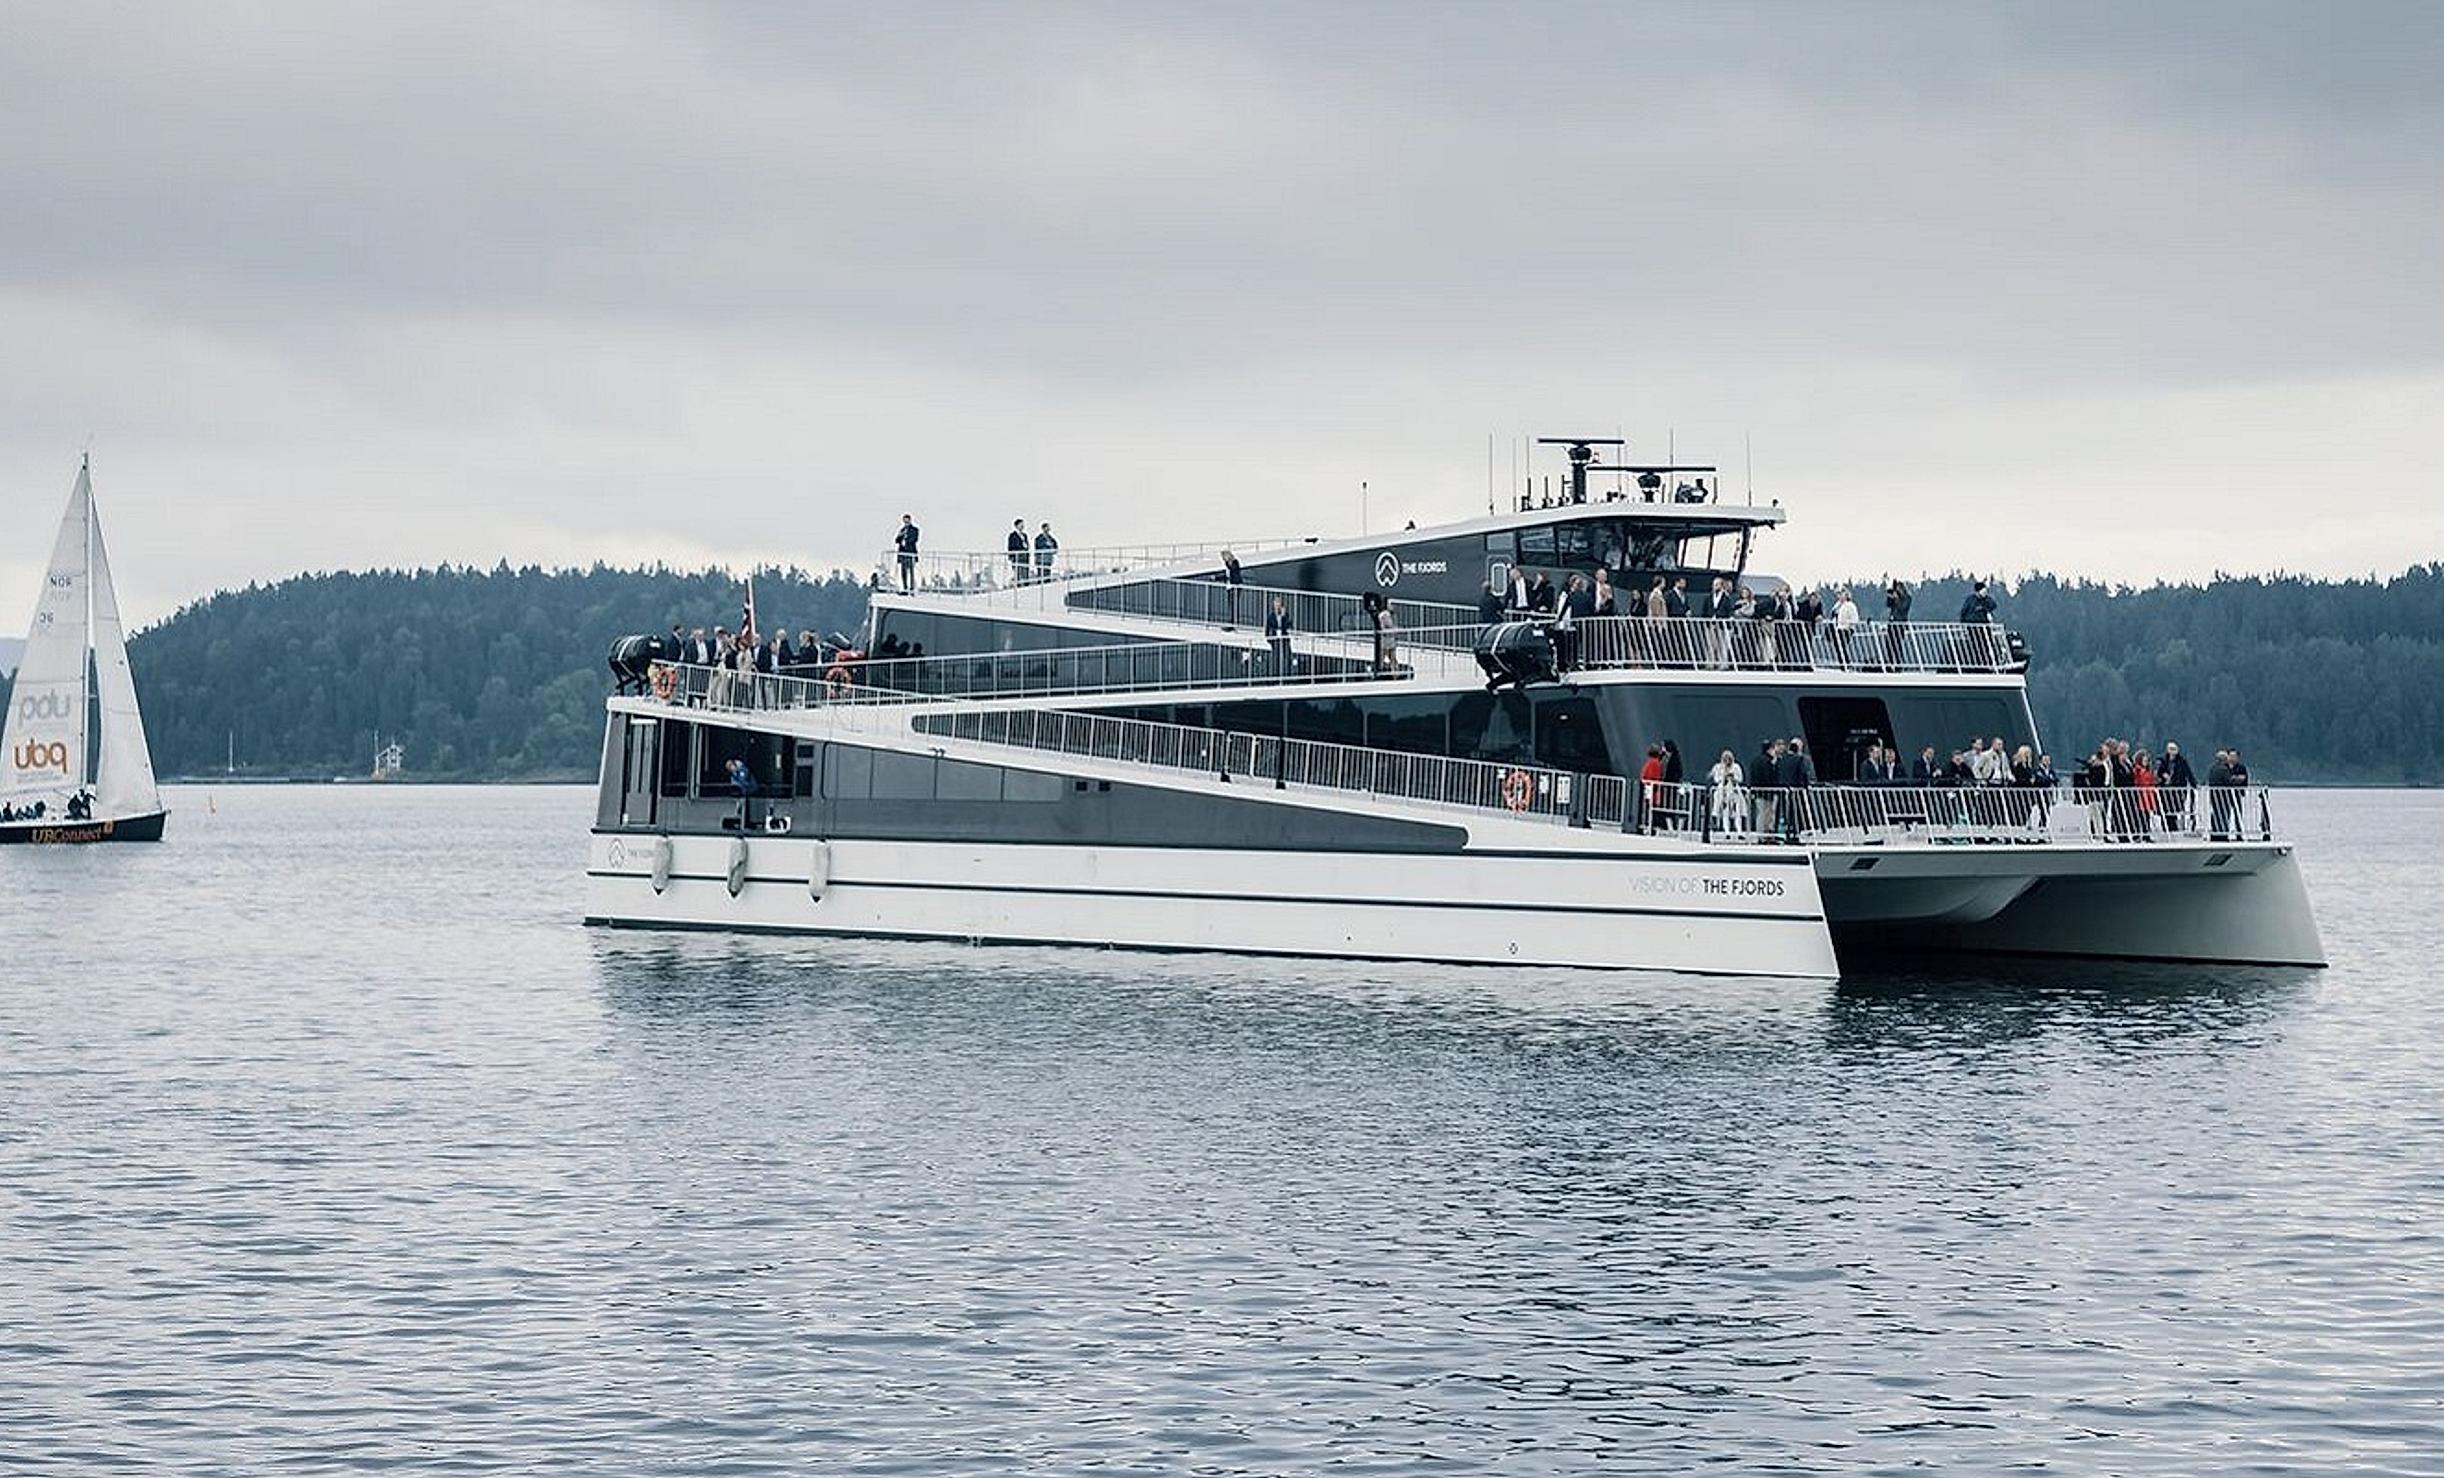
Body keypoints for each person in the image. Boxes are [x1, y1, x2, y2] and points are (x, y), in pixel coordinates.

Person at [2160, 741, 2196, 832]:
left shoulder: (2182, 761)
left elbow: (2188, 773)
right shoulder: (2163, 761)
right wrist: (2163, 776)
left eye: (2174, 749)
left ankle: (2175, 827)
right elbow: (2159, 772)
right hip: (2165, 790)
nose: (2173, 751)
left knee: (2176, 808)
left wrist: (2193, 784)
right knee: (2165, 809)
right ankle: (2167, 828)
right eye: (2171, 749)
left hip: (2178, 789)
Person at [1708, 749, 1746, 833]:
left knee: (1737, 812)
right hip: (1723, 791)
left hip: (1734, 791)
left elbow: (1740, 779)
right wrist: (1724, 777)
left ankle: (1739, 831)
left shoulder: (1736, 767)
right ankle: (1726, 830)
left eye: (1729, 758)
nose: (1727, 761)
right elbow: (1716, 779)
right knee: (1725, 811)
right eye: (1725, 759)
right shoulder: (1718, 767)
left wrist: (1733, 778)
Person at [1883, 578, 1912, 667]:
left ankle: (1898, 664)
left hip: (1900, 624)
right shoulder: (1895, 596)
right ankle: (1890, 662)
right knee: (1889, 644)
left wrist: (1897, 599)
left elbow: (1902, 609)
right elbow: (1888, 605)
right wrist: (1890, 596)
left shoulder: (1907, 598)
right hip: (1892, 623)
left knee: (1898, 645)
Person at [1265, 596, 1295, 675]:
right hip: (1275, 639)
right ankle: (1276, 675)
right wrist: (1269, 640)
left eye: (1279, 603)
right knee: (1276, 658)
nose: (1278, 605)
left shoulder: (1285, 615)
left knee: (1287, 657)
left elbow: (1289, 625)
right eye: (1276, 603)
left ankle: (1288, 675)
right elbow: (1267, 629)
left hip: (1284, 638)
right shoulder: (1270, 616)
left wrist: (1283, 617)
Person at [725, 756, 757, 830]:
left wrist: (738, 783)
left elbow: (744, 781)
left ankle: (746, 823)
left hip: (749, 792)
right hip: (742, 793)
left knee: (746, 807)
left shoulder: (743, 770)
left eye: (731, 767)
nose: (731, 769)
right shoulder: (734, 774)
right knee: (740, 805)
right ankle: (739, 820)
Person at [894, 514, 921, 592]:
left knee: (911, 572)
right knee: (903, 572)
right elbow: (896, 541)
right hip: (903, 554)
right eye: (904, 521)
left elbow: (914, 540)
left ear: (910, 520)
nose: (906, 522)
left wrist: (906, 539)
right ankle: (905, 587)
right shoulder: (902, 530)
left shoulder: (915, 529)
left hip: (910, 553)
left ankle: (912, 588)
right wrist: (900, 536)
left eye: (907, 521)